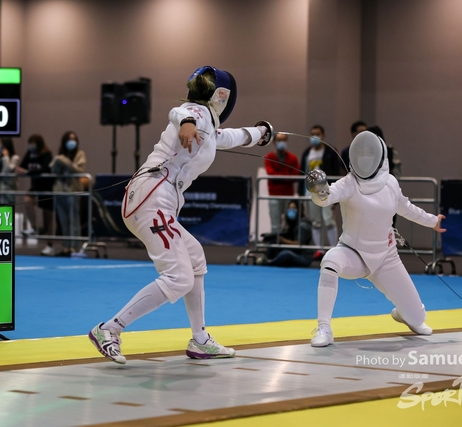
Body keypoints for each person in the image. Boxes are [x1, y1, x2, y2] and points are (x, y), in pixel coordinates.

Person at [88, 65, 272, 364]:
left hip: (153, 199)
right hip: (152, 199)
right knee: (179, 277)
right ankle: (109, 329)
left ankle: (200, 340)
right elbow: (180, 112)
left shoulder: (207, 126)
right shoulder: (196, 114)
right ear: (222, 97)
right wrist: (186, 121)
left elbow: (230, 136)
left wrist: (262, 133)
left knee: (195, 258)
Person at [306, 130, 446, 347]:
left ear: (380, 157)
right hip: (353, 253)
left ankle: (404, 313)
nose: (364, 159)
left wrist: (432, 221)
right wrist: (319, 190)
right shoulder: (349, 183)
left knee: (418, 319)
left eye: (369, 153)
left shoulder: (390, 183)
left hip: (386, 258)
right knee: (330, 261)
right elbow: (327, 198)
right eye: (360, 153)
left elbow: (407, 208)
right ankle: (324, 327)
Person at [299, 125, 340, 262]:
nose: (314, 137)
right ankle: (318, 250)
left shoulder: (331, 152)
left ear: (323, 135)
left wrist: (336, 195)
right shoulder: (306, 153)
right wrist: (301, 195)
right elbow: (301, 174)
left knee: (329, 221)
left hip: (327, 192)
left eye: (317, 134)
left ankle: (334, 250)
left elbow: (336, 173)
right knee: (315, 222)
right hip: (310, 193)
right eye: (312, 134)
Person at [17, 134, 55, 256]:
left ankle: (50, 245)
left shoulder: (47, 154)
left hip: (47, 187)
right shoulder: (30, 154)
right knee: (27, 199)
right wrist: (19, 170)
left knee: (48, 218)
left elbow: (44, 169)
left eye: (33, 144)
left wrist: (28, 172)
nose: (31, 146)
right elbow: (22, 166)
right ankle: (33, 227)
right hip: (35, 186)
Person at [50, 131, 87, 257]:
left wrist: (63, 160)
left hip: (73, 191)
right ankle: (66, 246)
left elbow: (78, 169)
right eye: (69, 139)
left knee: (73, 220)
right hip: (60, 191)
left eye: (74, 139)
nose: (72, 142)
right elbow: (53, 170)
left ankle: (75, 247)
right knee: (63, 220)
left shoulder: (80, 154)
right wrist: (58, 161)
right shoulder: (60, 155)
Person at [264, 133, 300, 234]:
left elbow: (296, 175)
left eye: (284, 140)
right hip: (274, 195)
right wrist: (288, 176)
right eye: (279, 140)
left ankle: (289, 242)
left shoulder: (293, 158)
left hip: (288, 195)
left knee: (290, 223)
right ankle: (276, 242)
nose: (281, 142)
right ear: (274, 142)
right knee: (275, 224)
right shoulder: (269, 157)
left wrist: (279, 177)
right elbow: (271, 174)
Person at [260, 200, 313, 267]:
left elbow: (298, 244)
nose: (291, 211)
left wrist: (283, 240)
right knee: (273, 243)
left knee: (286, 254)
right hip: (296, 252)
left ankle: (268, 263)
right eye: (289, 208)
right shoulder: (292, 223)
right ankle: (269, 259)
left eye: (293, 209)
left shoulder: (303, 226)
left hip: (303, 257)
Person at [0, 138, 20, 204]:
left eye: (1, 144)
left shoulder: (15, 158)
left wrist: (6, 157)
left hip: (7, 189)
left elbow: (7, 171)